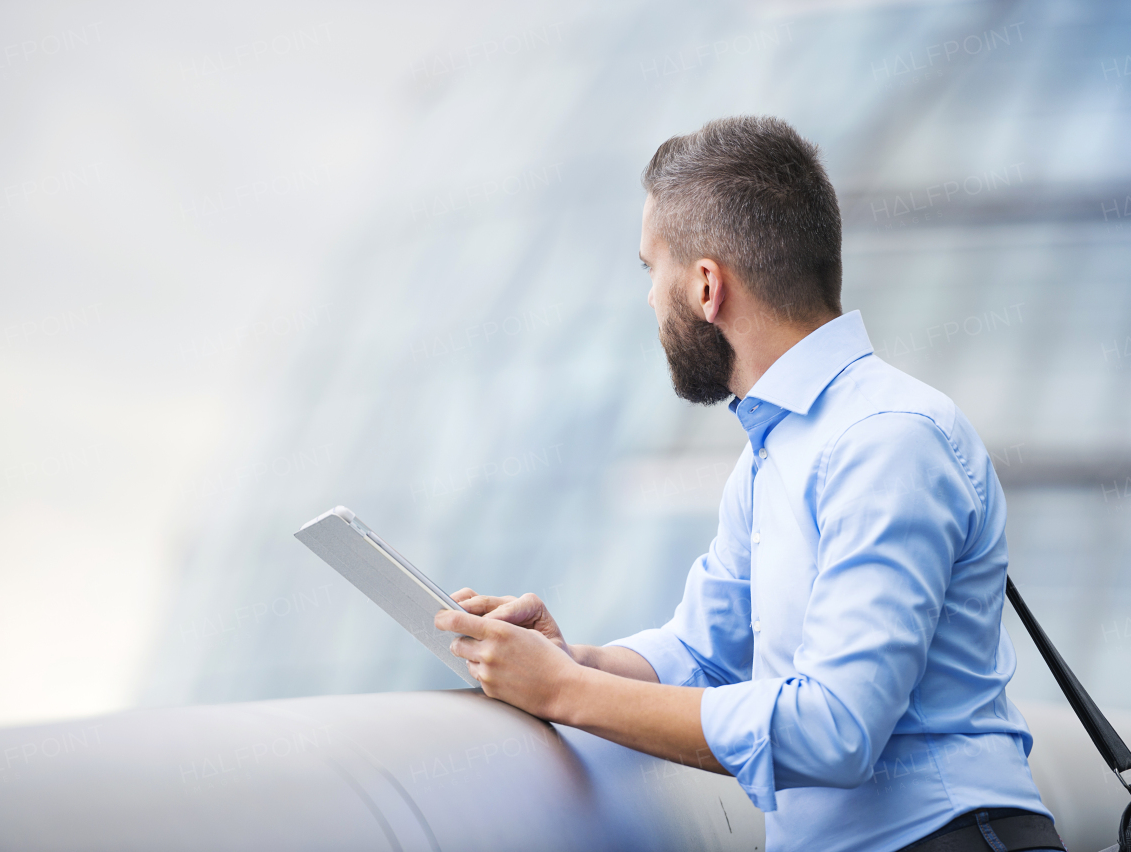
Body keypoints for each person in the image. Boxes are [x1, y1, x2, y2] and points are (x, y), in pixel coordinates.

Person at [434, 116, 1063, 852]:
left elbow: (836, 731)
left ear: (706, 285)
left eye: (650, 270)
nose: (647, 300)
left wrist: (565, 694)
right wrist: (576, 660)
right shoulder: (777, 448)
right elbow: (705, 651)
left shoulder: (886, 438)